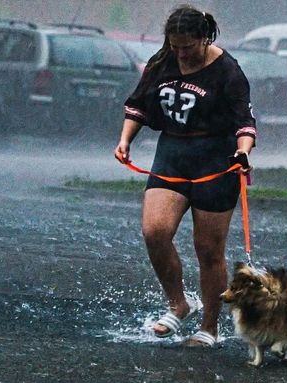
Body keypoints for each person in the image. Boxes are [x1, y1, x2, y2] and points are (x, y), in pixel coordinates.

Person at [114, 5, 256, 347]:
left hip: (216, 161)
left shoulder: (227, 71)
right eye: (175, 46)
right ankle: (179, 304)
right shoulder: (161, 61)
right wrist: (124, 140)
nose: (180, 53)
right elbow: (138, 106)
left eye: (187, 47)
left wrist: (244, 151)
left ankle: (209, 327)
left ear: (204, 38)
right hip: (173, 154)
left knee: (208, 250)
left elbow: (245, 122)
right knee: (155, 231)